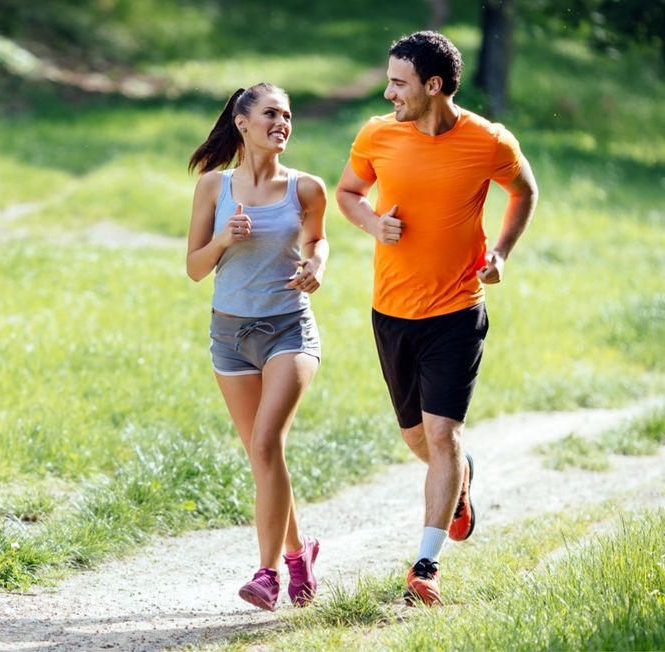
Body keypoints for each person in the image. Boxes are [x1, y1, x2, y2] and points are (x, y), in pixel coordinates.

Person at [334, 31, 539, 606]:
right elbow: (348, 192)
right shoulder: (378, 134)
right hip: (392, 312)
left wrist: (501, 253)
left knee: (443, 434)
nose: (386, 91)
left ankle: (425, 567)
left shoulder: (488, 140)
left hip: (456, 312)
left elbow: (524, 193)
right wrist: (372, 224)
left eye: (398, 82)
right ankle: (460, 478)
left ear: (433, 85)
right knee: (418, 439)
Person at [186, 82, 329, 611]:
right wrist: (223, 238)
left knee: (266, 444)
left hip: (288, 330)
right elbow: (195, 269)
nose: (282, 123)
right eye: (271, 113)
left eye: (288, 115)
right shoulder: (212, 188)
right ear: (242, 123)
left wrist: (317, 264)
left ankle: (267, 573)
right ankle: (299, 554)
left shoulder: (306, 187)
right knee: (262, 456)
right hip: (229, 335)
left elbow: (317, 239)